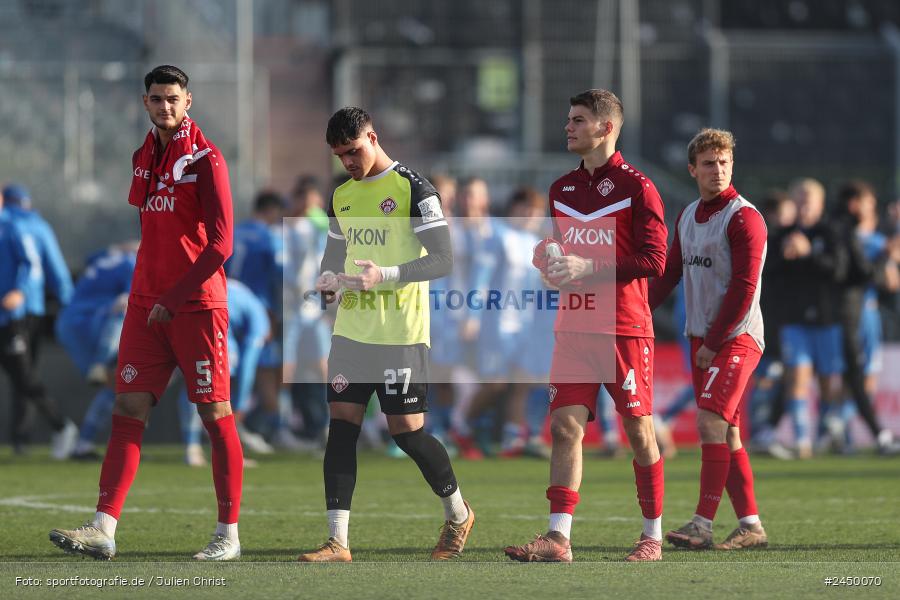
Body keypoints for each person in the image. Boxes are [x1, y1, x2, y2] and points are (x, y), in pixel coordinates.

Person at [49, 65, 242, 561]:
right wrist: (150, 295)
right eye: (157, 99)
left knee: (214, 414)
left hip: (195, 307)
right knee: (127, 409)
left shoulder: (207, 160)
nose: (165, 107)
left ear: (188, 101)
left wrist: (173, 297)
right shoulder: (144, 155)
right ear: (146, 103)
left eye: (173, 99)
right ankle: (103, 527)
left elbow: (221, 246)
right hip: (144, 306)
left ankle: (228, 535)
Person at [297, 106, 473, 562]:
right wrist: (326, 285)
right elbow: (334, 257)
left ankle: (458, 513)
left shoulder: (414, 189)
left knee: (407, 434)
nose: (349, 163)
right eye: (340, 157)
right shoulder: (342, 196)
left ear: (373, 137)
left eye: (353, 151)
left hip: (401, 333)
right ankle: (338, 541)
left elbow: (443, 259)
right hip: (352, 334)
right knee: (341, 430)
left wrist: (387, 274)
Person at [504, 89, 667, 563]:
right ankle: (558, 538)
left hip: (625, 327)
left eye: (577, 120)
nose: (568, 127)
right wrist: (548, 261)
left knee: (638, 431)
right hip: (574, 326)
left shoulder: (639, 187)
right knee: (563, 427)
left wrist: (584, 267)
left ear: (605, 127)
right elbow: (559, 250)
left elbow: (654, 259)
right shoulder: (561, 189)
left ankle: (651, 536)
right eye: (568, 119)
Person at [650, 128, 769, 550]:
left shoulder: (745, 217)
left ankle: (702, 523)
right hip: (702, 338)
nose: (717, 170)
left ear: (731, 165)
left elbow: (743, 286)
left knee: (710, 422)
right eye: (708, 164)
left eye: (723, 162)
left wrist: (716, 342)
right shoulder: (687, 216)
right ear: (693, 170)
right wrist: (636, 308)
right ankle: (751, 525)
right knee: (728, 432)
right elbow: (669, 274)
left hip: (736, 337)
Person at [767, 178, 847, 458]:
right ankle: (802, 442)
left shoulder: (831, 232)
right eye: (799, 200)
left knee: (828, 383)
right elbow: (769, 271)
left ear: (820, 204)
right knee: (797, 378)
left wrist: (809, 253)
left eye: (809, 201)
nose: (803, 206)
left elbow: (838, 270)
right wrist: (787, 255)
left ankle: (828, 435)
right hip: (794, 321)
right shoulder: (781, 234)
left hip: (826, 320)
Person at [0, 187, 77, 457]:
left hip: (15, 315)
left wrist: (19, 292)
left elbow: (31, 264)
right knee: (22, 376)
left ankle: (59, 427)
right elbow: (54, 270)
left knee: (23, 376)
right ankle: (23, 440)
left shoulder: (14, 227)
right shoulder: (32, 223)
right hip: (25, 312)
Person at [831, 181, 899, 454]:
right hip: (851, 313)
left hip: (868, 313)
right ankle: (837, 424)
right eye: (869, 202)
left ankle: (839, 428)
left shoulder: (878, 240)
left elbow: (892, 282)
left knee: (861, 377)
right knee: (853, 375)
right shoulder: (847, 235)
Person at [56, 243, 137, 459]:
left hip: (68, 323)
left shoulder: (109, 256)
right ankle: (101, 362)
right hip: (94, 325)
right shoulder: (132, 263)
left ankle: (84, 444)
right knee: (123, 382)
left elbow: (89, 260)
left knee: (118, 385)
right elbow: (132, 300)